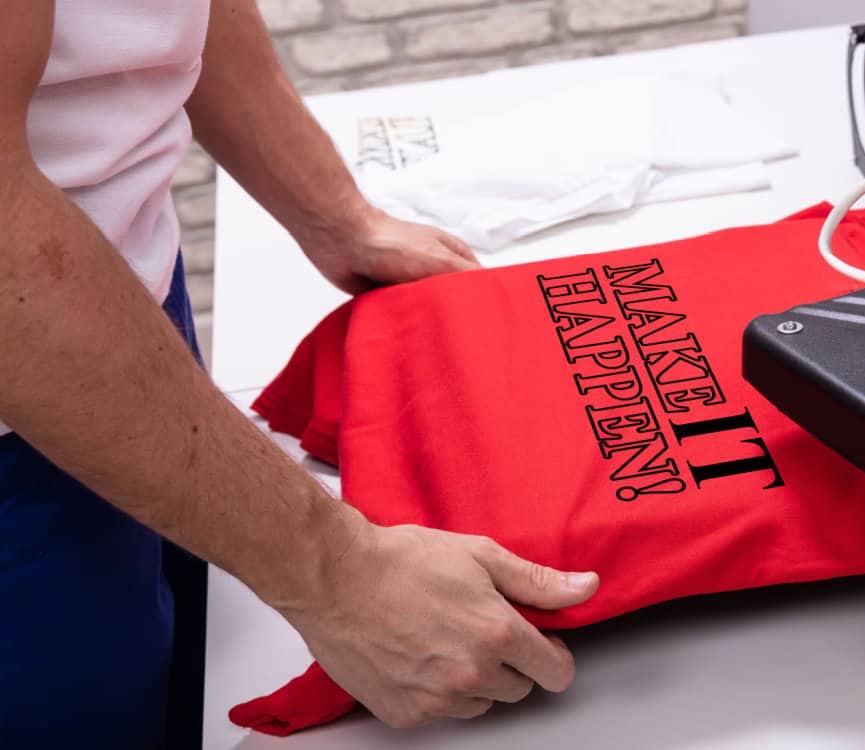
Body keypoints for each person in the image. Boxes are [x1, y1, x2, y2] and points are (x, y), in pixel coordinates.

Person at [0, 2, 601, 748]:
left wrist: (334, 213)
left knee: (180, 687)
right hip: (21, 386)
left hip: (109, 306)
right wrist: (336, 574)